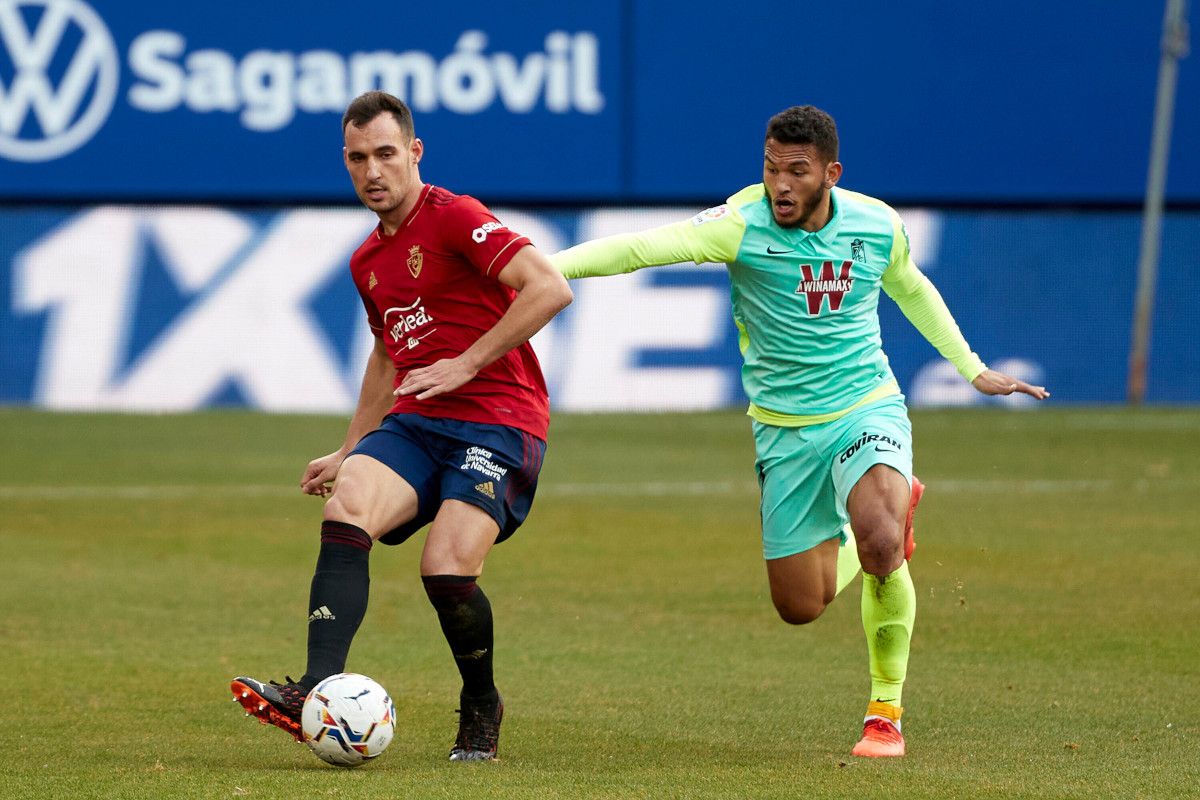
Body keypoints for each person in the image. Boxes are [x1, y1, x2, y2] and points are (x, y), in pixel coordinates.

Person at [549, 105, 1049, 757]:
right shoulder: (740, 225)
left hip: (865, 407)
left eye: (797, 171)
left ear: (830, 174)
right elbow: (638, 249)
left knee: (877, 544)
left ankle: (884, 712)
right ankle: (890, 522)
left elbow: (912, 288)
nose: (780, 184)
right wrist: (539, 264)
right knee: (800, 604)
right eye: (770, 168)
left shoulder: (876, 225)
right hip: (784, 433)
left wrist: (973, 369)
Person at [231, 90, 573, 762]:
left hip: (499, 421)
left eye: (386, 153)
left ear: (414, 153)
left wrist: (465, 362)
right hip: (419, 422)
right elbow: (388, 351)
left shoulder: (456, 219)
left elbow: (550, 286)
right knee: (349, 499)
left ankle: (481, 703)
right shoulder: (367, 261)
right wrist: (351, 445)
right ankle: (315, 686)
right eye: (358, 158)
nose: (372, 171)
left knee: (445, 568)